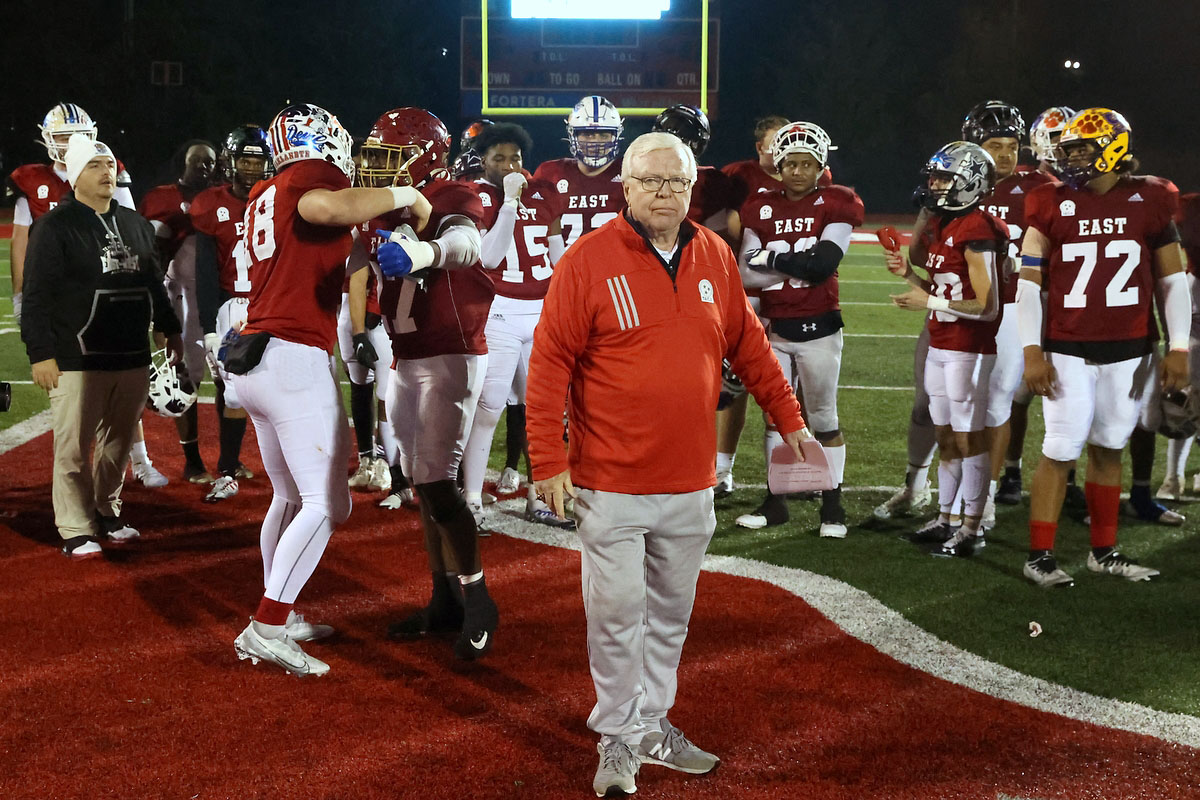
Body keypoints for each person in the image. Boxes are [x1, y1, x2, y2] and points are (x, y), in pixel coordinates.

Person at [526, 132, 809, 797]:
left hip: (690, 481)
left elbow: (750, 345)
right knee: (618, 614)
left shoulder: (713, 252)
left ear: (691, 189)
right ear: (624, 185)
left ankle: (653, 724)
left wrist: (790, 418)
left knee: (670, 618)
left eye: (677, 183)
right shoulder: (587, 260)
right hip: (610, 479)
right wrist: (546, 458)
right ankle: (619, 736)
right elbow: (548, 367)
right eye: (651, 182)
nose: (664, 194)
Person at [229, 103, 417, 676]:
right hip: (290, 359)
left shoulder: (266, 188)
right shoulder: (312, 178)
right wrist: (402, 195)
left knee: (287, 498)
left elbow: (324, 239)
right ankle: (266, 623)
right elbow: (325, 205)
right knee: (326, 504)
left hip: (256, 359)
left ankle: (278, 615)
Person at [1017, 108, 1186, 587]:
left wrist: (1179, 348)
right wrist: (1032, 351)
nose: (1070, 157)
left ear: (1113, 147)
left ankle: (1104, 551)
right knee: (1059, 448)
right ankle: (1040, 555)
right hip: (1068, 347)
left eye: (1081, 148)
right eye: (1068, 149)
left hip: (1132, 348)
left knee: (1110, 447)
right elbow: (1028, 284)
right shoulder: (1049, 200)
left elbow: (1173, 280)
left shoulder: (1151, 198)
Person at [352, 107, 497, 662]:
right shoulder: (384, 202)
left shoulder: (455, 192)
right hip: (407, 355)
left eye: (389, 156)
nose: (379, 167)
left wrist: (422, 251)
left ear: (425, 156)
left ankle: (478, 599)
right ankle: (444, 597)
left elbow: (467, 245)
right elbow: (351, 259)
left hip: (451, 352)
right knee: (419, 482)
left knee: (437, 481)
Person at [21, 134, 182, 558]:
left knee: (118, 441)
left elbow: (153, 282)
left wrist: (169, 326)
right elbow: (37, 295)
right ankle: (75, 526)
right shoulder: (54, 226)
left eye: (109, 164)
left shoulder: (134, 223)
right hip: (77, 356)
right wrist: (40, 353)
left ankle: (107, 509)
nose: (106, 171)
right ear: (75, 175)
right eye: (94, 165)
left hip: (131, 353)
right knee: (73, 447)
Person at [6, 103, 164, 488]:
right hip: (64, 300)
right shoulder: (36, 183)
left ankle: (139, 461)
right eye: (62, 137)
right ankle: (77, 505)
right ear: (47, 141)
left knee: (121, 385)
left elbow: (135, 236)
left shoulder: (111, 173)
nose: (69, 144)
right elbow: (20, 243)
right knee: (74, 400)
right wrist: (20, 296)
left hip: (108, 294)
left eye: (77, 137)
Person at [732, 121, 862, 536]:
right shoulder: (761, 204)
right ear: (779, 163)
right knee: (775, 417)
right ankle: (776, 503)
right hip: (776, 328)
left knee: (823, 416)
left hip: (820, 328)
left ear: (821, 164)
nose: (798, 171)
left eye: (807, 164)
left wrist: (769, 259)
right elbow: (744, 275)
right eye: (791, 163)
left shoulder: (838, 201)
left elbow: (822, 266)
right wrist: (792, 267)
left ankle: (833, 506)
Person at [888, 142, 1007, 556]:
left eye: (944, 179)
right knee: (944, 433)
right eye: (934, 177)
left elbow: (988, 305)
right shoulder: (945, 225)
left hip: (968, 349)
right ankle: (946, 518)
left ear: (970, 183)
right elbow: (943, 288)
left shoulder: (979, 230)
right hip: (942, 342)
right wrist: (910, 276)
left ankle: (972, 529)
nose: (934, 185)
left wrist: (931, 302)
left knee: (968, 438)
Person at [458, 122, 572, 527]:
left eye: (516, 158)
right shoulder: (475, 197)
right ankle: (471, 497)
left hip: (541, 311)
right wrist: (507, 203)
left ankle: (540, 496)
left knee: (543, 410)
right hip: (499, 311)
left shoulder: (543, 194)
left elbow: (559, 258)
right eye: (499, 158)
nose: (510, 165)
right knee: (488, 409)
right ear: (484, 161)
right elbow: (489, 257)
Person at [962, 101, 1055, 529]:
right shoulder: (958, 180)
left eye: (1011, 145)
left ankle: (988, 495)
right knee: (948, 404)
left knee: (999, 401)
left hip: (1014, 305)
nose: (1004, 154)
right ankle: (943, 488)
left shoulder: (1042, 188)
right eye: (994, 145)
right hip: (964, 308)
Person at [998, 105, 1080, 507]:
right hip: (1032, 294)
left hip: (1071, 300)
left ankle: (1070, 476)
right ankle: (1012, 468)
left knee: (1072, 391)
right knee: (1019, 392)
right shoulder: (1031, 186)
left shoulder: (1089, 187)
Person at [192, 124, 271, 502]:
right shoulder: (212, 205)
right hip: (233, 305)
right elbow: (205, 274)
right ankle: (226, 469)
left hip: (271, 302)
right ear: (231, 161)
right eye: (246, 159)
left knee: (272, 387)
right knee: (236, 392)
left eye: (259, 160)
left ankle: (261, 463)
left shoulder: (275, 200)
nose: (253, 168)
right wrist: (209, 326)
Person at [140, 139, 218, 483]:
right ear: (182, 163)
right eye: (197, 161)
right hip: (180, 297)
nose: (204, 168)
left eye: (209, 162)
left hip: (219, 297)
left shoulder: (223, 196)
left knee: (230, 378)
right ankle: (192, 460)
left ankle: (228, 459)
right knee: (183, 378)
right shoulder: (161, 198)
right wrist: (158, 310)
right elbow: (150, 256)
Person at [531, 95, 626, 248]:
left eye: (603, 134)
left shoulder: (630, 172)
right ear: (573, 135)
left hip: (615, 265)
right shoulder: (550, 173)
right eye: (588, 134)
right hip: (563, 265)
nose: (595, 141)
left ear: (615, 136)